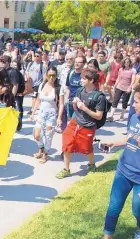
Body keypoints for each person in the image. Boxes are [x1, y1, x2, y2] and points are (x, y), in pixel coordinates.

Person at [102, 85, 140, 239]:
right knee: (114, 207)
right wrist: (114, 143)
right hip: (124, 170)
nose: (133, 105)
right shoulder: (133, 118)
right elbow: (129, 136)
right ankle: (107, 236)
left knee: (137, 209)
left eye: (137, 102)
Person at [57, 69, 107, 179]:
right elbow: (76, 108)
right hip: (76, 121)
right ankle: (66, 169)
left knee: (87, 148)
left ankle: (91, 164)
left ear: (91, 80)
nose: (81, 80)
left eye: (84, 78)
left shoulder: (99, 97)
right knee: (67, 143)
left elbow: (99, 116)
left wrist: (84, 108)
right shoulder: (80, 90)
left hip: (88, 126)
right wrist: (75, 103)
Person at [30, 67, 63, 163]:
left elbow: (61, 104)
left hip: (52, 115)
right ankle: (41, 147)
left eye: (54, 75)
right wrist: (33, 112)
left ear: (57, 76)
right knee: (36, 135)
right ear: (46, 75)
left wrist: (59, 118)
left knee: (48, 136)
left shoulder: (59, 88)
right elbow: (38, 100)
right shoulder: (42, 85)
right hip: (41, 113)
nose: (51, 77)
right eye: (49, 75)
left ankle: (45, 153)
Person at [25, 51, 47, 115]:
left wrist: (43, 84)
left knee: (34, 97)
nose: (36, 57)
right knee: (33, 96)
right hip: (31, 83)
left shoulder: (42, 66)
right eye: (35, 56)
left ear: (41, 57)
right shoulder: (30, 64)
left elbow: (44, 76)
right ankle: (34, 108)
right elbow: (27, 71)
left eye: (38, 56)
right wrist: (28, 75)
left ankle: (33, 110)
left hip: (38, 84)